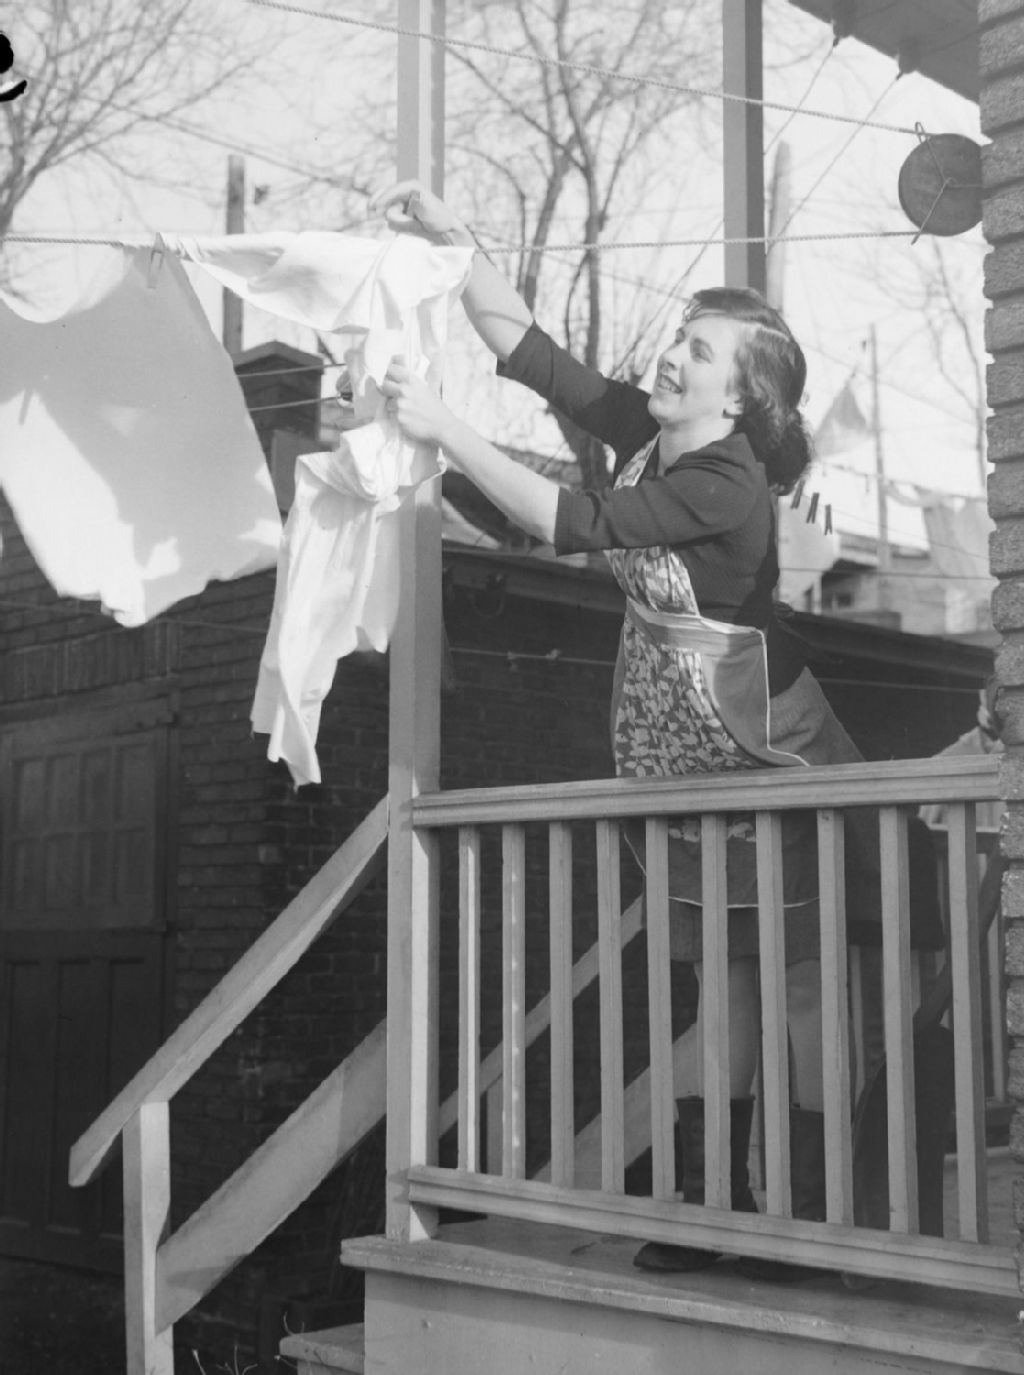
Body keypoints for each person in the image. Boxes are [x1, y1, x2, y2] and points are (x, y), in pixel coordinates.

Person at [368, 179, 874, 1281]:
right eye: (680, 337)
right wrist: (456, 244)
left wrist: (445, 429)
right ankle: (712, 1213)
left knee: (795, 987)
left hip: (772, 754)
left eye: (699, 350)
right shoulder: (653, 433)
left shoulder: (727, 480)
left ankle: (814, 1222)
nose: (673, 355)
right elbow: (528, 350)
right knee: (720, 989)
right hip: (685, 760)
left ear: (739, 398)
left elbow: (569, 520)